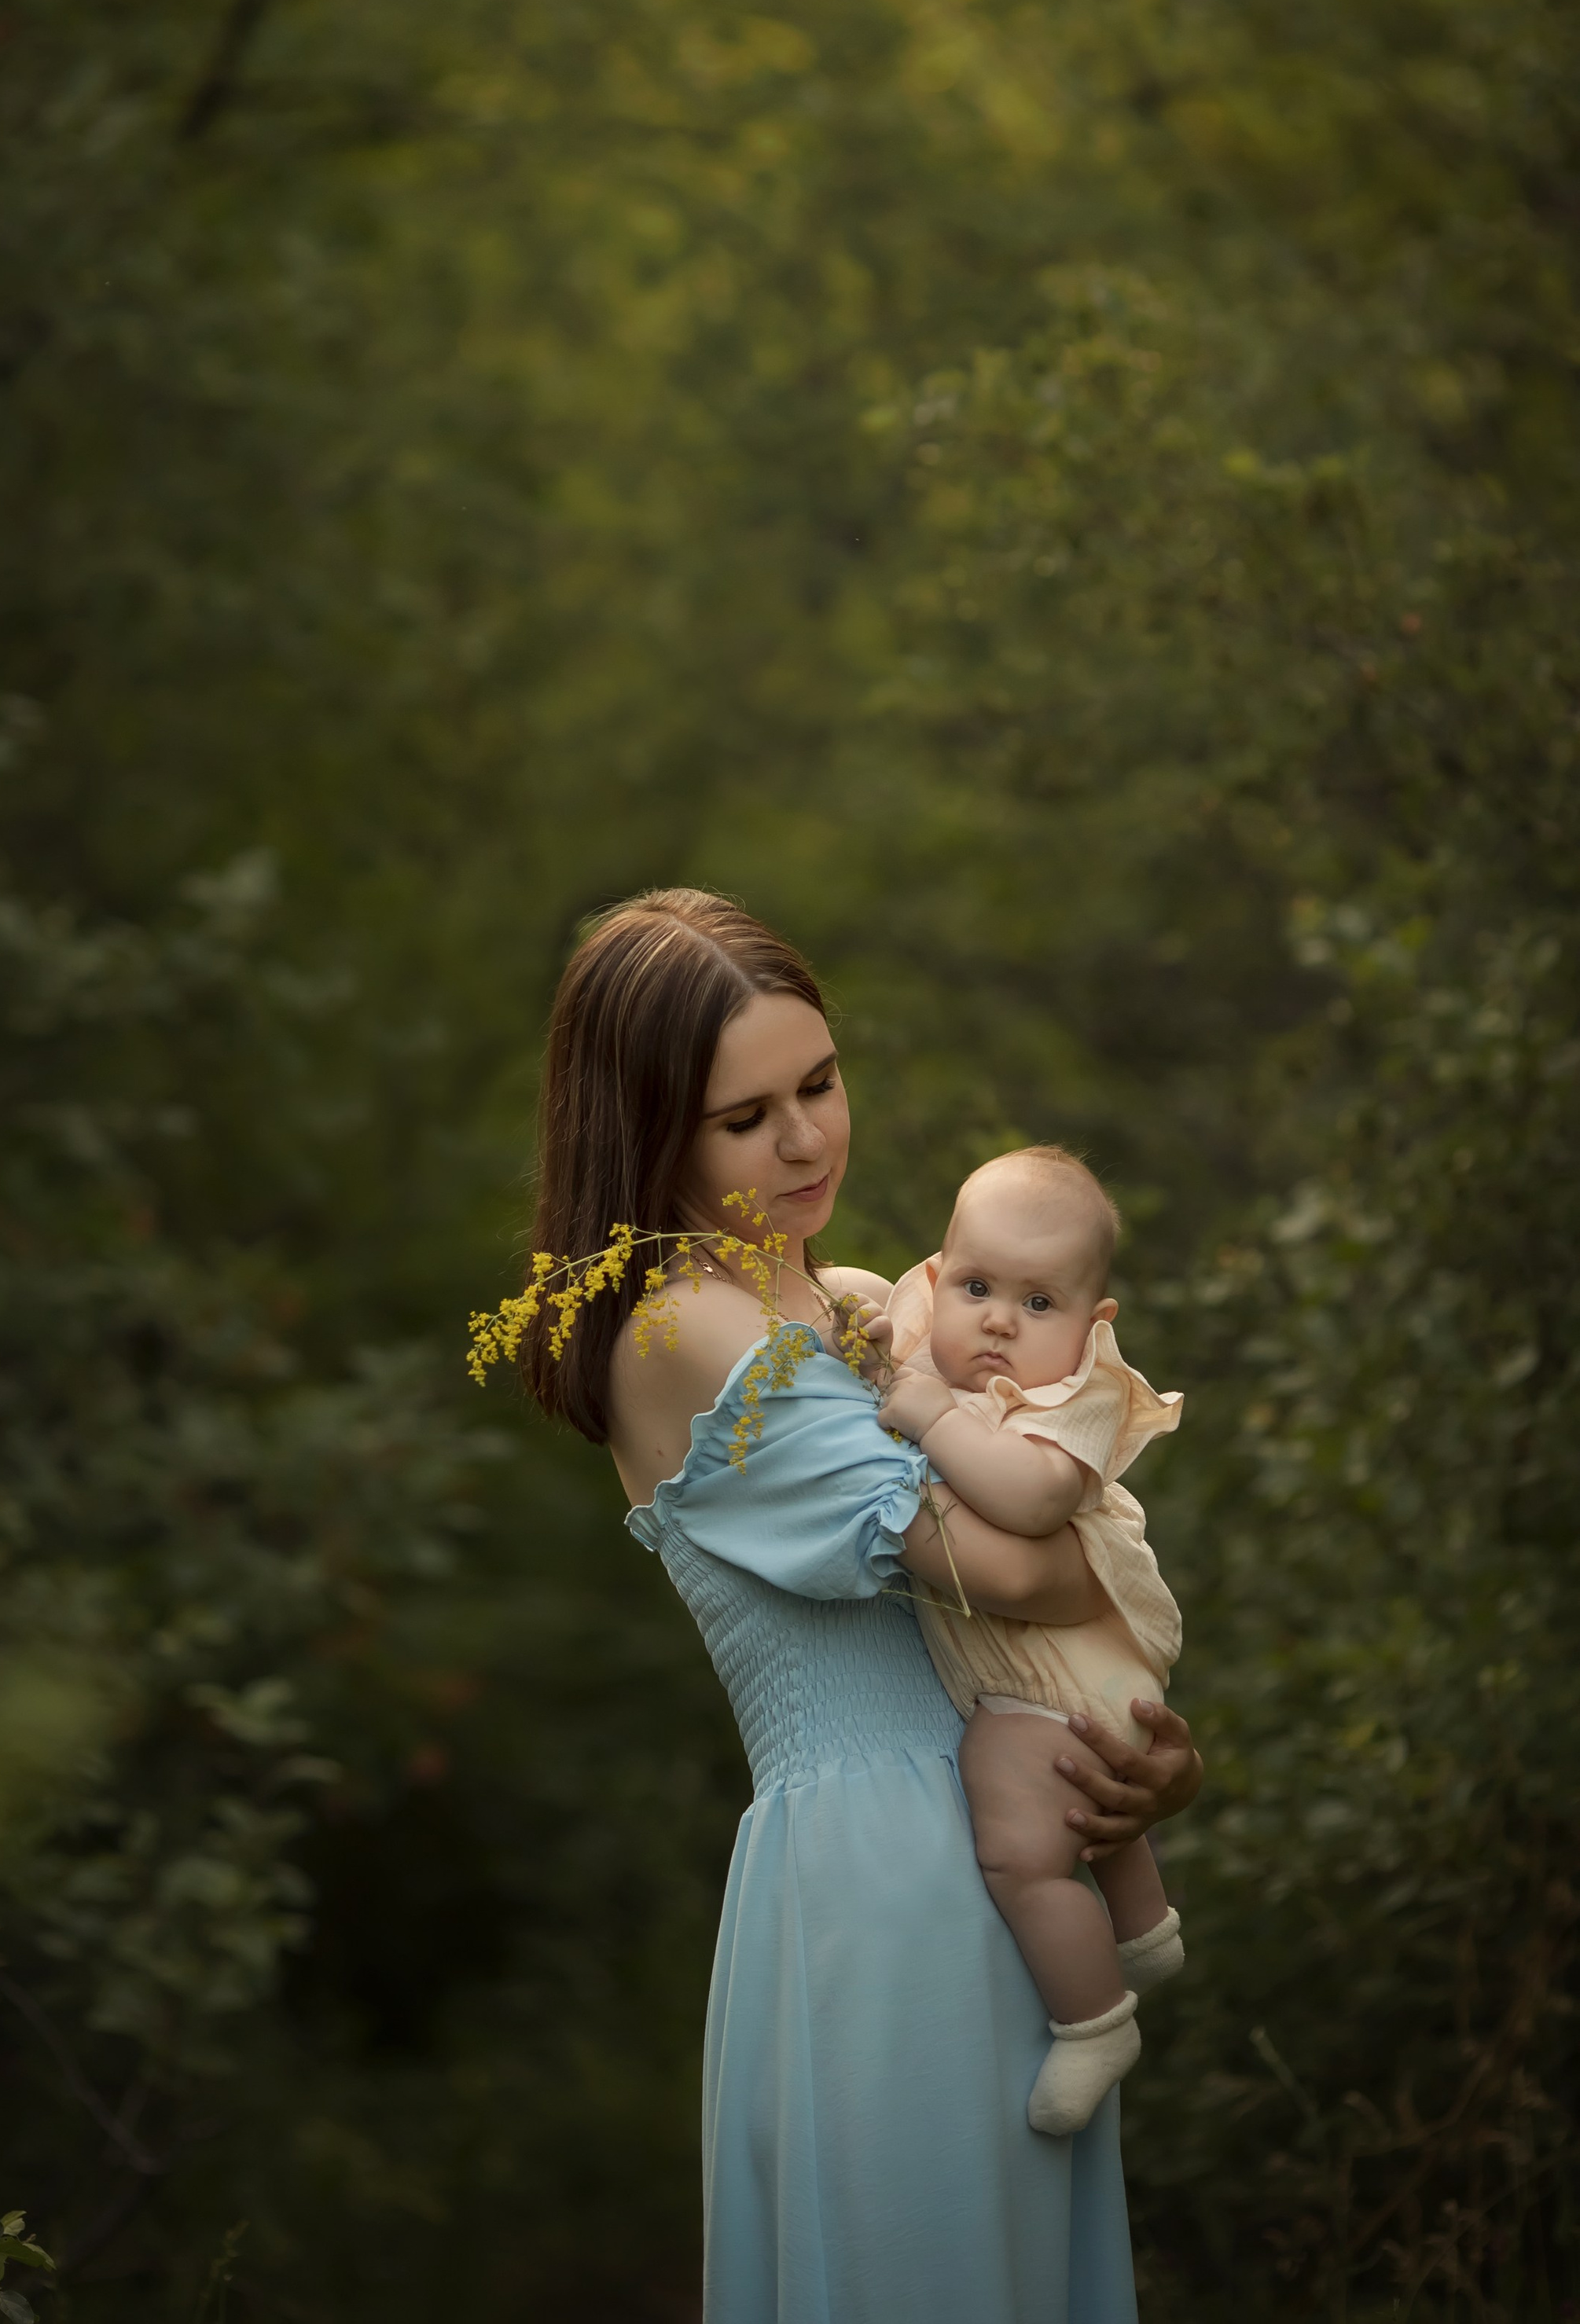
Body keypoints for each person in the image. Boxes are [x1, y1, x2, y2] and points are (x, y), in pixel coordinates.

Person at [516, 888, 1203, 2324]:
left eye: (819, 1083)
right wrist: (1122, 1572)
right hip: (886, 1871)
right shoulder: (681, 1324)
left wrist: (1128, 1748)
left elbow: (1014, 1560)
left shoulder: (838, 1303)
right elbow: (1017, 1564)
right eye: (745, 1116)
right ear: (650, 1128)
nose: (809, 1139)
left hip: (995, 1827)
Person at [869, 1148, 1186, 2136]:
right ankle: (1142, 1926)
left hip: (1060, 1674)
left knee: (1017, 1853)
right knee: (1092, 1789)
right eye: (975, 1287)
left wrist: (923, 1412)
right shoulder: (936, 1339)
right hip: (1071, 1674)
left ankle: (1093, 2021)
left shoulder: (1079, 1395)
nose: (1000, 1320)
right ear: (934, 1281)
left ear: (1095, 1328)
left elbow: (1031, 1501)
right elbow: (863, 1315)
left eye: (1039, 1303)